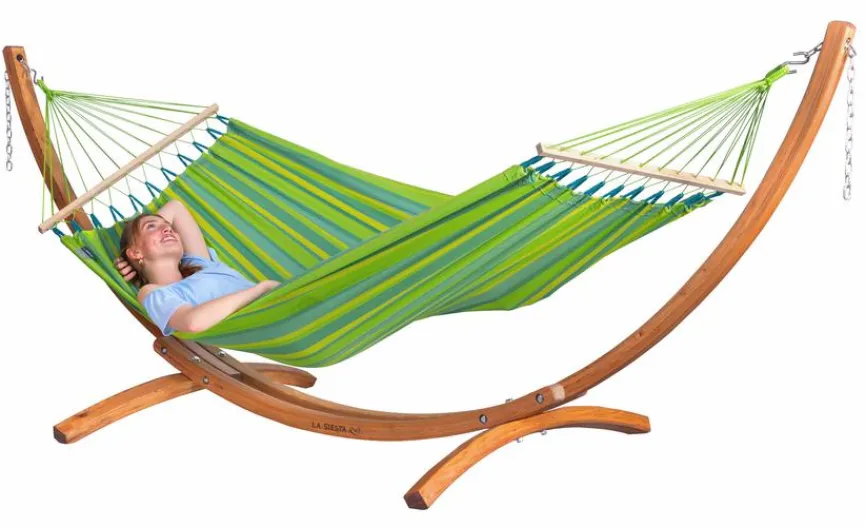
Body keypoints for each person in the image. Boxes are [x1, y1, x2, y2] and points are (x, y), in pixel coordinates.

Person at [114, 199, 280, 336]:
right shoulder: (153, 292)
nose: (167, 229)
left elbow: (176, 207)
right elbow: (192, 322)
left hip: (279, 302)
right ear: (135, 252)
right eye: (151, 226)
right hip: (269, 309)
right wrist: (261, 289)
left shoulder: (198, 263)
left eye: (169, 227)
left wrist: (133, 255)